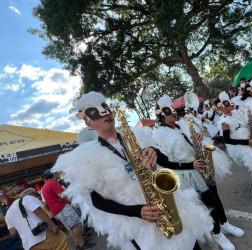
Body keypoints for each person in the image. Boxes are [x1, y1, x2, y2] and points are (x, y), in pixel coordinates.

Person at [52, 91, 213, 250]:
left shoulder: (138, 136)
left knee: (191, 244)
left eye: (106, 108)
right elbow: (97, 201)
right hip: (140, 223)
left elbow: (165, 162)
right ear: (88, 124)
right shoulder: (88, 157)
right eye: (95, 114)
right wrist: (137, 211)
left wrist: (154, 152)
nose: (105, 114)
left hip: (167, 206)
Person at [153, 95, 243, 250]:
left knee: (216, 196)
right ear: (161, 114)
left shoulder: (181, 123)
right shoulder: (159, 133)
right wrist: (190, 165)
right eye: (169, 112)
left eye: (174, 110)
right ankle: (216, 233)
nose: (174, 113)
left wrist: (198, 137)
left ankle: (225, 223)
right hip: (187, 172)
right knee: (210, 202)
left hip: (201, 164)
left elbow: (194, 138)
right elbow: (164, 162)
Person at [5, 188, 71, 250]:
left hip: (28, 244)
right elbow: (39, 212)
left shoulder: (8, 213)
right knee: (61, 241)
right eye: (35, 195)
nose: (36, 198)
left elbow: (13, 232)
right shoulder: (27, 198)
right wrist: (53, 225)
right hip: (43, 235)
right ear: (31, 193)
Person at [42, 170, 91, 250]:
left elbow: (46, 204)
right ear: (53, 175)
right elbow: (62, 195)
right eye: (56, 173)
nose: (57, 175)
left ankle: (78, 245)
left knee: (70, 228)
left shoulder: (44, 187)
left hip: (57, 211)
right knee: (76, 225)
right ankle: (82, 245)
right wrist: (70, 190)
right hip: (63, 208)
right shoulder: (53, 183)